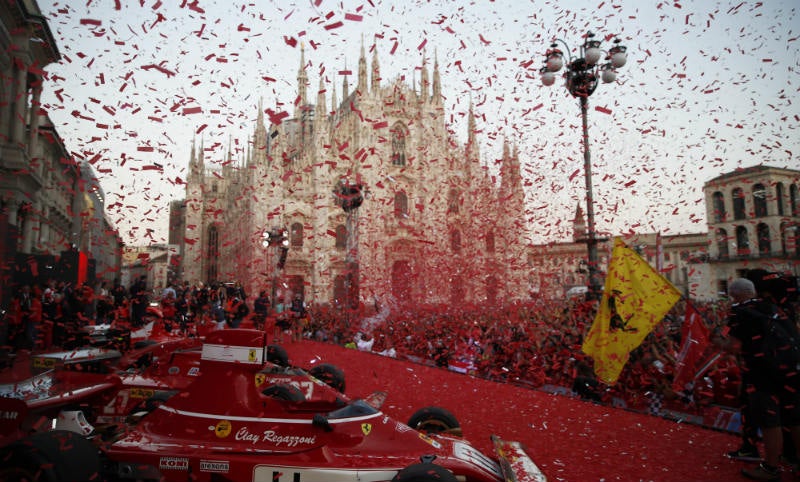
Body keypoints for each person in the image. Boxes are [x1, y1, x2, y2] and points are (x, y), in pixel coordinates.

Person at [723, 278, 800, 481]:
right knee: (794, 417)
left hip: (763, 372)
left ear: (735, 295)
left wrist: (720, 343)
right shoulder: (772, 307)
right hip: (792, 368)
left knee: (769, 419)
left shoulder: (739, 311)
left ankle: (770, 468)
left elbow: (734, 346)